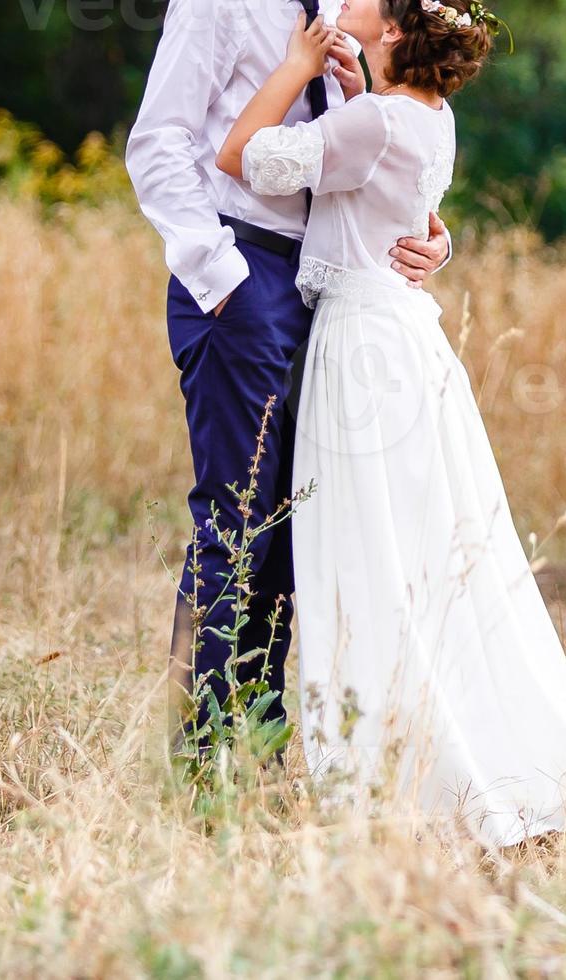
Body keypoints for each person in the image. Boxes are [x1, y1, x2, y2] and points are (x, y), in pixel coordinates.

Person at [218, 0, 566, 846]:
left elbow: (239, 157)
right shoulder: (430, 114)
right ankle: (442, 741)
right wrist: (354, 94)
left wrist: (297, 68)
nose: (341, 2)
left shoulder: (372, 120)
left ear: (390, 30)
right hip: (406, 341)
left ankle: (398, 769)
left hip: (361, 354)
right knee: (424, 550)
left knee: (367, 552)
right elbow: (396, 199)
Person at [127, 0, 451, 746]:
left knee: (294, 530)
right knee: (236, 521)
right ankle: (204, 757)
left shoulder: (348, 9)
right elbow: (159, 140)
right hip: (245, 269)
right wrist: (220, 274)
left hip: (332, 293)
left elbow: (382, 152)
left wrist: (434, 241)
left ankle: (260, 745)